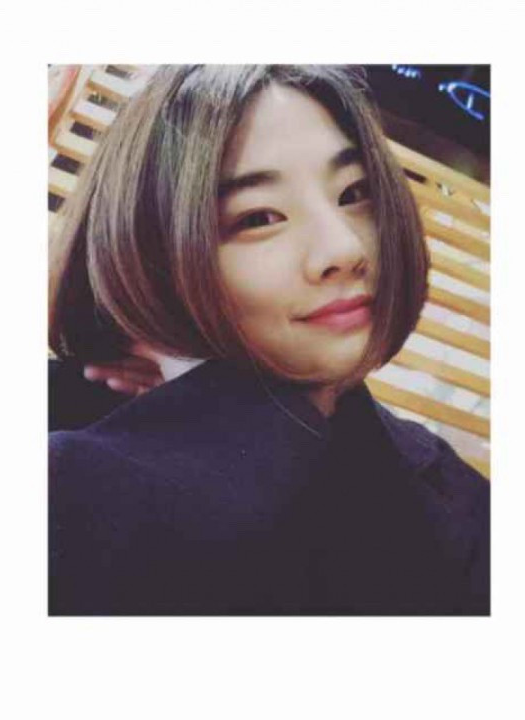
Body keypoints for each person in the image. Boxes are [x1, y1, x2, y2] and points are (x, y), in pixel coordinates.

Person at [48, 65, 489, 616]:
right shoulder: (71, 487)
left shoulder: (443, 482)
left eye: (354, 193)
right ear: (152, 255)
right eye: (259, 217)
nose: (344, 249)